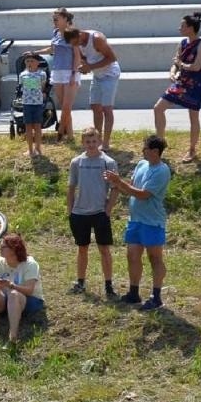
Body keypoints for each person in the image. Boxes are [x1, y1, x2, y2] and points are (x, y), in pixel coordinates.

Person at [106, 134, 171, 311]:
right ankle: (134, 293)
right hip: (135, 220)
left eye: (146, 148)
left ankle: (156, 296)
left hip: (152, 222)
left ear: (156, 152)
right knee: (132, 256)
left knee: (154, 258)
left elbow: (143, 194)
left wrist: (119, 182)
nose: (142, 151)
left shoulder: (162, 171)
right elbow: (132, 188)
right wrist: (116, 183)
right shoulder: (142, 164)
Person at [67, 128, 118, 298]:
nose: (91, 145)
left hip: (99, 212)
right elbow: (71, 187)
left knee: (104, 249)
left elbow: (115, 188)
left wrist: (108, 208)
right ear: (83, 143)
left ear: (100, 141)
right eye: (87, 142)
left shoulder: (108, 162)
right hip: (79, 213)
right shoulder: (76, 162)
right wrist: (70, 210)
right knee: (82, 248)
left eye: (94, 141)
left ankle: (109, 285)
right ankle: (80, 282)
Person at [154, 12, 201, 163]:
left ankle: (192, 149)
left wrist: (180, 64)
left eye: (183, 26)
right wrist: (172, 72)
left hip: (195, 84)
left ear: (191, 28)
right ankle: (160, 143)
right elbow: (175, 63)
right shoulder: (182, 43)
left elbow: (196, 66)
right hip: (180, 82)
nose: (180, 28)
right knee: (158, 108)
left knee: (193, 116)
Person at [0, 233, 44, 347]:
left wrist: (11, 285)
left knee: (14, 294)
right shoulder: (0, 262)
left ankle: (12, 338)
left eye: (3, 247)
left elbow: (29, 290)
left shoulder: (30, 264)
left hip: (30, 301)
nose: (0, 248)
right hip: (8, 298)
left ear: (14, 249)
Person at [18, 51, 48, 157]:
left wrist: (34, 85)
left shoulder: (42, 74)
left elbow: (42, 86)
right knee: (28, 127)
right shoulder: (23, 75)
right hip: (27, 103)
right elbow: (22, 86)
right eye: (27, 61)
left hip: (37, 103)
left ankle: (38, 148)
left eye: (32, 61)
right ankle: (30, 149)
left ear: (37, 62)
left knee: (37, 126)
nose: (29, 63)